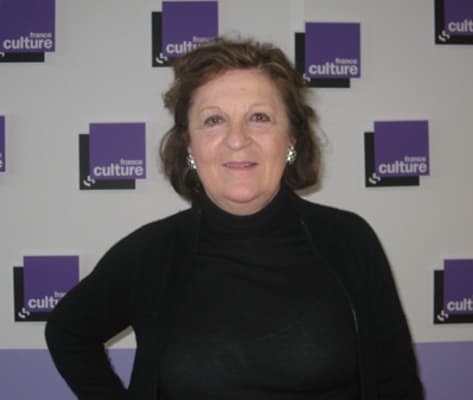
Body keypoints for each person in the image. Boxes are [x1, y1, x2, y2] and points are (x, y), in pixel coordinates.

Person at [45, 37, 424, 400]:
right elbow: (68, 332)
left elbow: (397, 384)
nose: (237, 139)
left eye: (259, 117)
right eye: (213, 120)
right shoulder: (152, 254)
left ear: (291, 140)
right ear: (189, 145)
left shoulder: (350, 240)